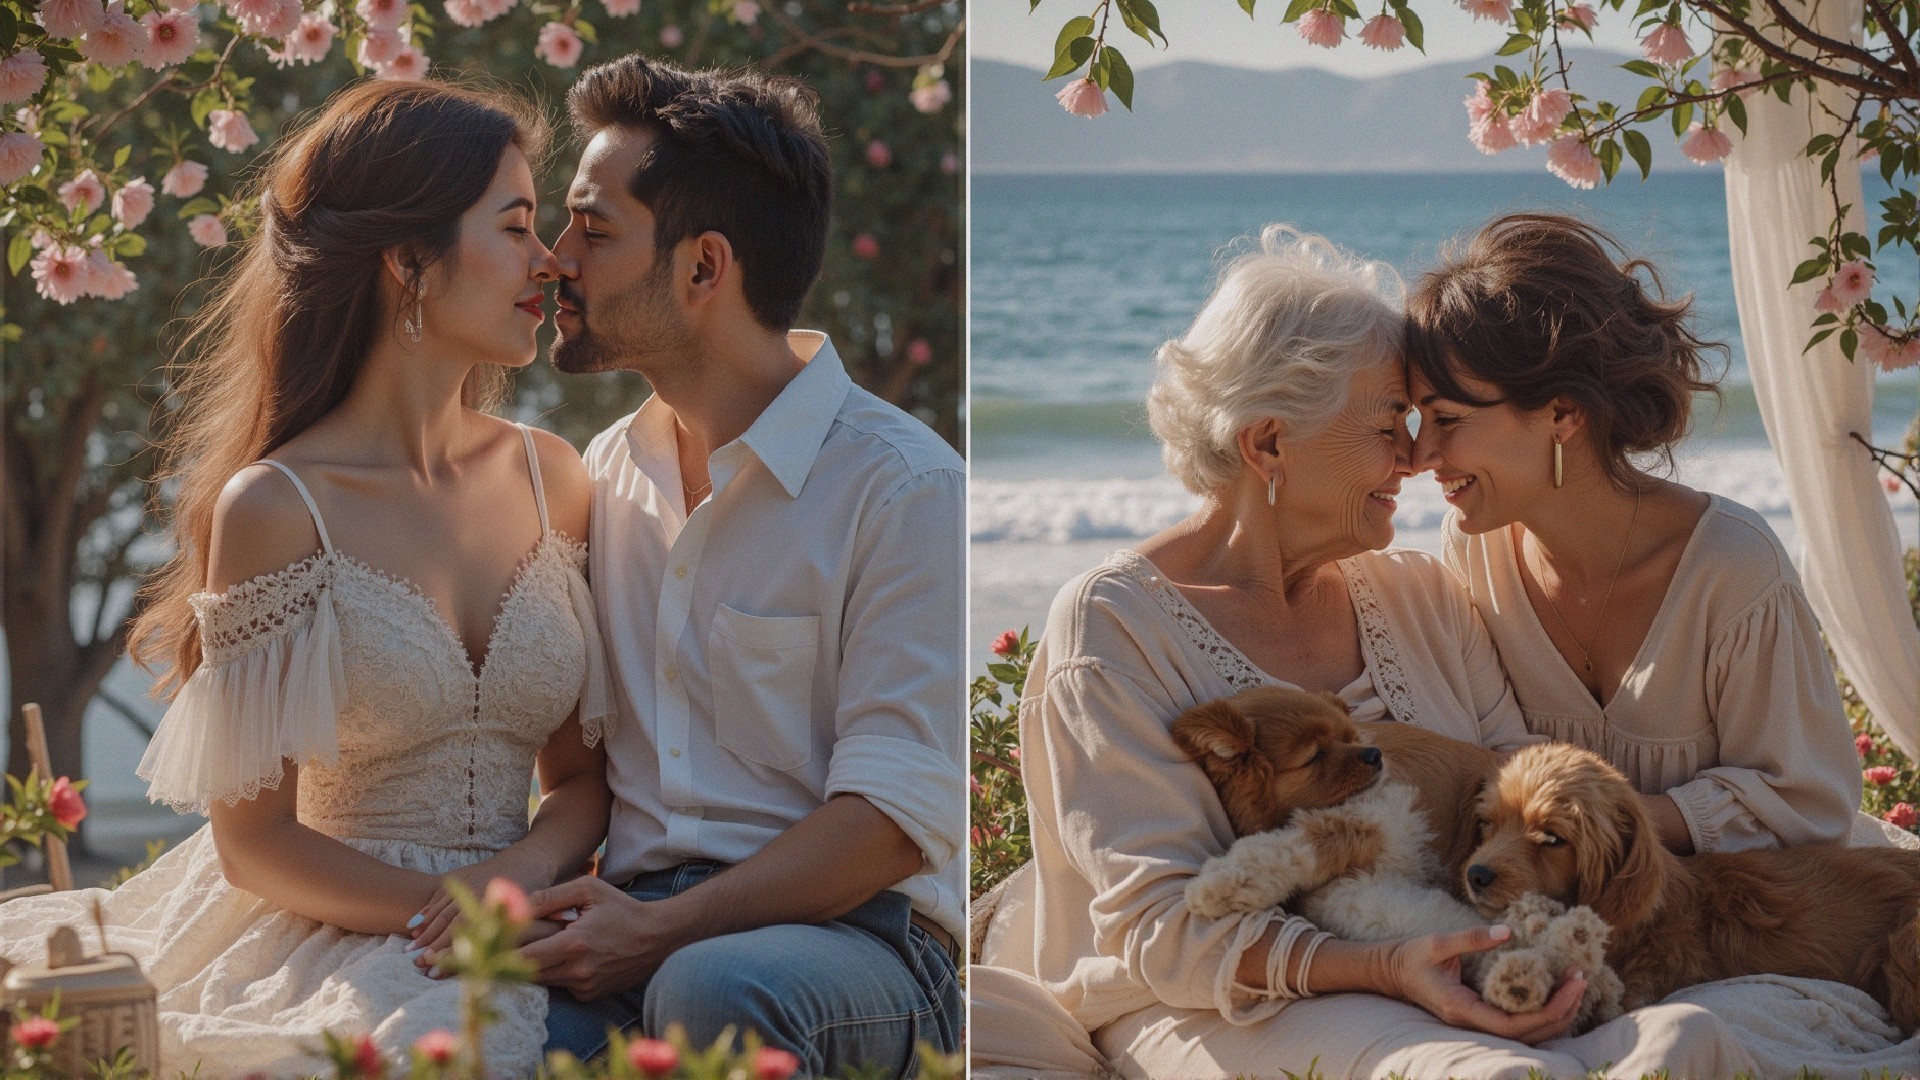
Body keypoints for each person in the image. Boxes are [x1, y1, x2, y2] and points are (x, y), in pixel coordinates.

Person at [971, 226, 1801, 1080]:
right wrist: (1388, 969)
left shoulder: (1421, 595)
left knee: (1674, 1044)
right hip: (1212, 1001)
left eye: (1421, 421)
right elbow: (1162, 929)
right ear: (1268, 444)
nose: (1414, 456)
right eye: (1385, 425)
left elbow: (1514, 796)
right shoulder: (1114, 626)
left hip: (1451, 963)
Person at [0, 80, 612, 1078]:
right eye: (515, 227)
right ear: (409, 261)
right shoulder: (277, 508)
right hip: (331, 924)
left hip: (522, 907)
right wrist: (447, 912)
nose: (548, 261)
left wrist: (515, 882)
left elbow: (581, 780)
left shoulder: (557, 479)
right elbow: (257, 843)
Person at [499, 55, 965, 1077]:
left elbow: (892, 823)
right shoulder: (602, 473)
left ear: (704, 268)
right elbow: (576, 772)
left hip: (858, 937)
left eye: (594, 230)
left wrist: (663, 933)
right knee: (473, 1032)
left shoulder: (902, 486)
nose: (555, 259)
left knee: (712, 990)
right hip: (630, 929)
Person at [1402, 212, 1892, 853]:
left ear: (1562, 411)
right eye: (1415, 421)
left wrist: (1591, 820)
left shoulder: (1731, 569)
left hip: (1742, 905)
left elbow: (1807, 805)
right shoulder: (1473, 554)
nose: (1420, 456)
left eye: (1446, 418)